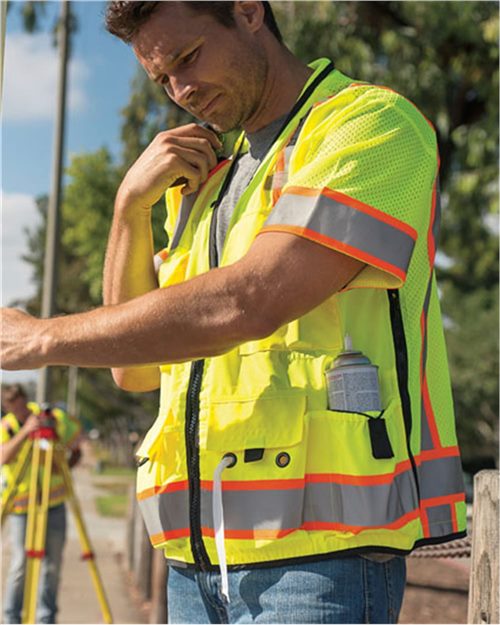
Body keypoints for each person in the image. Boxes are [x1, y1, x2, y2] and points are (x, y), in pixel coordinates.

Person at [1, 1, 467, 622]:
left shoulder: (368, 124)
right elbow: (134, 371)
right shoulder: (203, 182)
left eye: (188, 58)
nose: (181, 91)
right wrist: (129, 208)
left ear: (247, 10)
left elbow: (250, 301)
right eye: (162, 79)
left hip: (323, 557)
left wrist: (38, 339)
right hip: (194, 563)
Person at [1, 384, 81, 624]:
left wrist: (63, 460)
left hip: (53, 503)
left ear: (25, 400)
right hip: (21, 507)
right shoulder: (7, 427)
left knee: (52, 566)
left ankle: (46, 618)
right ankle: (12, 617)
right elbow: (3, 457)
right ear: (7, 407)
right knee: (20, 564)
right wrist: (26, 431)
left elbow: (76, 441)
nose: (18, 410)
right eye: (12, 407)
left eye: (21, 405)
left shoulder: (51, 417)